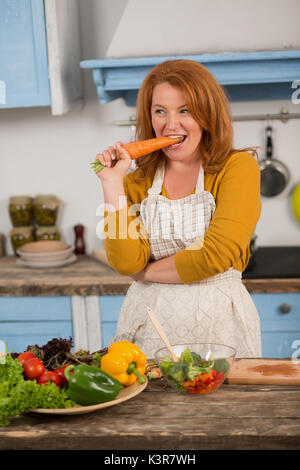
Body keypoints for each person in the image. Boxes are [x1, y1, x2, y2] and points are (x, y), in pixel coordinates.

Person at [95, 59, 262, 360]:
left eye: (185, 110)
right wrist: (112, 183)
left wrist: (145, 273)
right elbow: (124, 263)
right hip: (149, 330)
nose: (171, 125)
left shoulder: (237, 168)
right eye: (161, 111)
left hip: (220, 331)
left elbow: (216, 255)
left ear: (207, 113)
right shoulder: (136, 181)